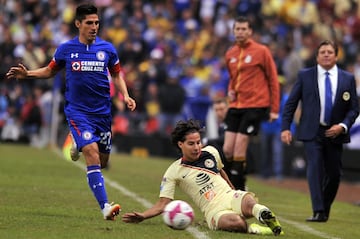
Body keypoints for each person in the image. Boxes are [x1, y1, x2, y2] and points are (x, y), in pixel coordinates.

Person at [6, 4, 136, 220]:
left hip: (103, 113)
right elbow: (49, 71)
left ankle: (76, 142)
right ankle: (105, 207)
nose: (94, 27)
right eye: (89, 23)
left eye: (96, 23)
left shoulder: (108, 49)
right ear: (78, 24)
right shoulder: (66, 49)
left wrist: (126, 95)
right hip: (78, 112)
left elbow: (117, 75)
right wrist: (27, 73)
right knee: (92, 153)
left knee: (102, 161)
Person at [122, 119, 282, 236]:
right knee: (237, 224)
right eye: (191, 144)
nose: (197, 147)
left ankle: (266, 216)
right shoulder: (173, 171)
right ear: (180, 144)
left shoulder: (211, 151)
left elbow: (221, 171)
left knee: (248, 201)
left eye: (198, 142)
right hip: (213, 210)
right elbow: (163, 204)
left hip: (229, 196)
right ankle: (258, 229)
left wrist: (234, 191)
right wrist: (143, 215)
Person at [281, 40, 359, 222]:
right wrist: (285, 127)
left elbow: (354, 108)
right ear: (316, 56)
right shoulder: (305, 75)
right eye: (322, 51)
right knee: (315, 168)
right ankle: (318, 211)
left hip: (335, 133)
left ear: (336, 56)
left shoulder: (347, 78)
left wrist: (343, 126)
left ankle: (324, 206)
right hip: (312, 131)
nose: (325, 54)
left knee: (334, 174)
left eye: (329, 52)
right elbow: (291, 104)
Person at [223, 16, 280, 190]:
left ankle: (238, 189)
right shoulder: (230, 53)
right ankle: (237, 182)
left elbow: (273, 79)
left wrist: (274, 109)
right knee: (227, 150)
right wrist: (230, 90)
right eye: (237, 29)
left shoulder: (261, 51)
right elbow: (233, 79)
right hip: (236, 105)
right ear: (233, 31)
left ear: (250, 31)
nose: (240, 32)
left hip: (255, 105)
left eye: (243, 29)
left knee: (240, 147)